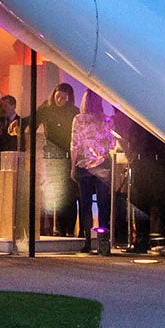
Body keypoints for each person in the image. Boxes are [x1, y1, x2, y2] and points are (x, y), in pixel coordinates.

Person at [36, 82, 80, 235]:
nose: (60, 99)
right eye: (58, 96)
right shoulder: (46, 109)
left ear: (69, 98)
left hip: (68, 158)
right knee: (54, 193)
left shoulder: (74, 112)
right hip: (52, 159)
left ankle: (68, 229)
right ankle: (57, 228)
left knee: (69, 194)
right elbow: (31, 120)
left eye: (64, 97)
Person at [70, 92, 113, 242]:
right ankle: (103, 239)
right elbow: (111, 144)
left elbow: (75, 144)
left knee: (85, 202)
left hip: (84, 165)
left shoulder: (79, 119)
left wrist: (72, 166)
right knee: (103, 203)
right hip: (102, 165)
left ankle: (87, 239)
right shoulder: (106, 120)